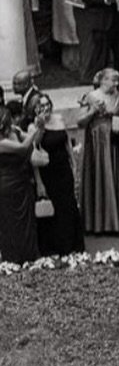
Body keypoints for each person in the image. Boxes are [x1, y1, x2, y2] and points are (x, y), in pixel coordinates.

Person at [28, 94, 84, 259]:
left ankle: (73, 244)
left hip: (63, 168)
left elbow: (67, 143)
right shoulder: (33, 126)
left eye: (47, 104)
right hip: (47, 171)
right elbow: (35, 149)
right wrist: (41, 126)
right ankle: (56, 246)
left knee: (69, 204)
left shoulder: (59, 119)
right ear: (35, 109)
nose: (46, 108)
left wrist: (74, 166)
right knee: (54, 208)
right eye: (41, 106)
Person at [78, 71, 119, 235]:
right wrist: (92, 111)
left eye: (118, 81)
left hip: (114, 139)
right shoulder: (90, 96)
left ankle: (117, 220)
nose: (116, 84)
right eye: (113, 81)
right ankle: (98, 222)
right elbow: (79, 122)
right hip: (96, 142)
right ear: (103, 80)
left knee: (115, 174)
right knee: (99, 174)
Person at [0, 104, 43, 264]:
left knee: (27, 219)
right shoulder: (1, 142)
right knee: (10, 221)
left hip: (22, 180)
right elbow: (23, 148)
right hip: (7, 184)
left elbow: (33, 142)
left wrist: (40, 127)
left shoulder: (15, 131)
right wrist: (33, 132)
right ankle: (13, 256)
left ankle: (29, 253)